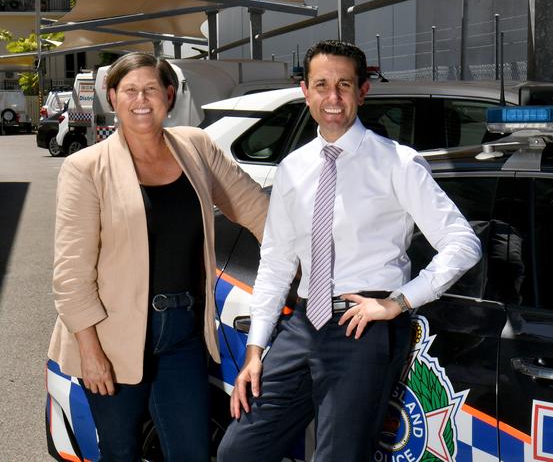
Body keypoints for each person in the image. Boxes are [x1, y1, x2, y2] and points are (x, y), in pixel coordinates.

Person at [217, 40, 482, 462]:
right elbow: (277, 262)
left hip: (364, 330)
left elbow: (462, 242)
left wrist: (399, 302)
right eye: (321, 85)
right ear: (305, 91)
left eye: (344, 84)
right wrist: (255, 350)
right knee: (239, 451)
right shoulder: (293, 168)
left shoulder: (398, 162)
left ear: (363, 91)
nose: (333, 97)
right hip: (302, 326)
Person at [48, 52, 269, 462]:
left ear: (169, 94)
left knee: (192, 451)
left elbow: (256, 209)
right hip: (111, 337)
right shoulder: (86, 168)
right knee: (121, 451)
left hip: (182, 331)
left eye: (151, 88)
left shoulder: (196, 146)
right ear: (112, 97)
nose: (141, 99)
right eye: (130, 90)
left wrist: (316, 261)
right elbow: (70, 274)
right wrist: (91, 353)